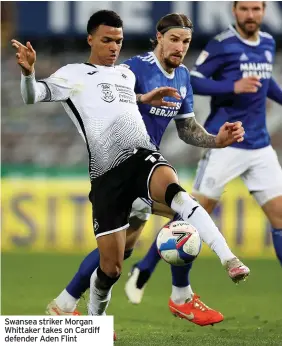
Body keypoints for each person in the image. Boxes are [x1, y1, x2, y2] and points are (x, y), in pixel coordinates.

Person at [13, 10, 246, 331]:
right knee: (125, 254)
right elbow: (49, 95)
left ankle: (69, 305)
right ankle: (173, 298)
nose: (180, 46)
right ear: (158, 39)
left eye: (186, 41)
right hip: (115, 172)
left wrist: (217, 140)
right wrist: (28, 74)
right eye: (174, 39)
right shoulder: (128, 68)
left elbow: (183, 127)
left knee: (155, 229)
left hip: (144, 164)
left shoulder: (167, 78)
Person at [123, 0, 282, 306]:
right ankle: (151, 273)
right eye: (245, 9)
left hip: (260, 145)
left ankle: (148, 271)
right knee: (193, 216)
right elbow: (193, 79)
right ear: (234, 11)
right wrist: (232, 86)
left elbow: (266, 84)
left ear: (264, 11)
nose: (251, 15)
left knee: (280, 219)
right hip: (225, 144)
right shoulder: (222, 45)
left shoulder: (267, 42)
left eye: (257, 9)